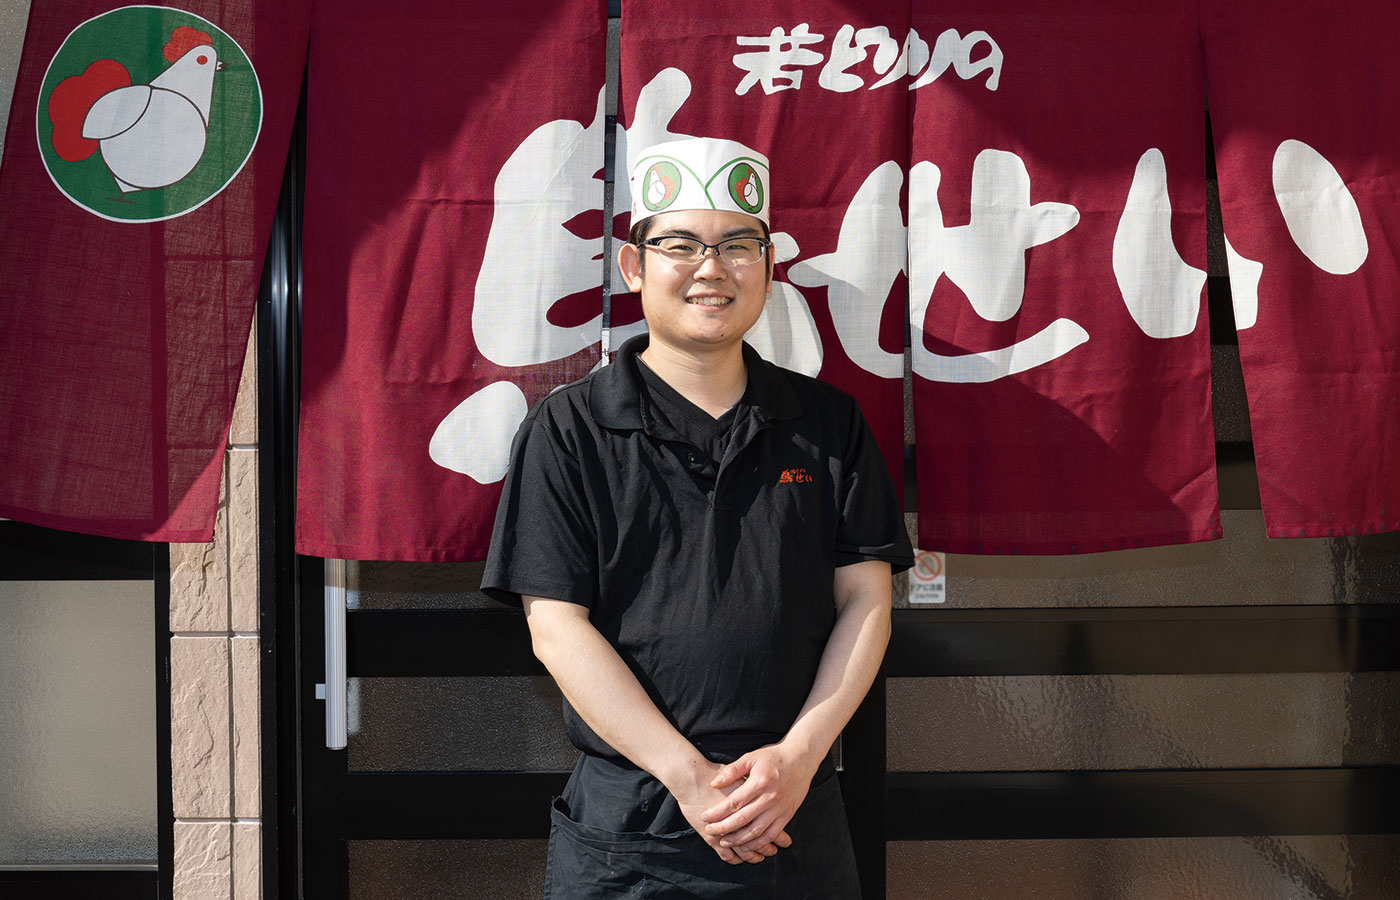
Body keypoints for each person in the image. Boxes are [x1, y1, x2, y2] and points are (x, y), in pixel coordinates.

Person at [482, 137, 913, 898]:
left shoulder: (828, 424)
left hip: (793, 811)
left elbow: (866, 601)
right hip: (632, 825)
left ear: (770, 267)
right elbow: (555, 626)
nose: (712, 269)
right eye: (680, 244)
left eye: (738, 245)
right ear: (634, 266)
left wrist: (801, 757)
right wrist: (688, 777)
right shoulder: (570, 429)